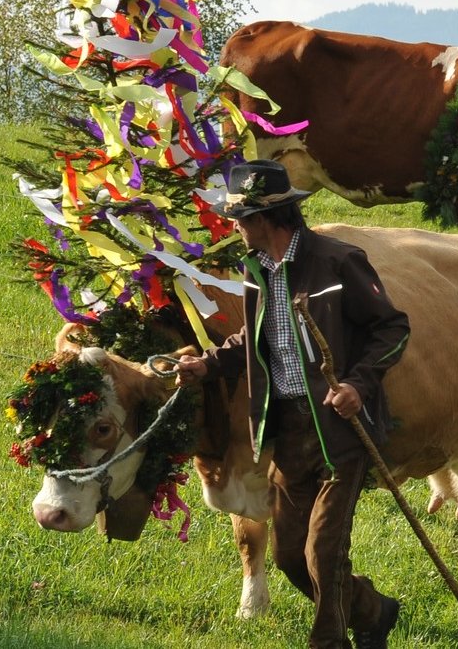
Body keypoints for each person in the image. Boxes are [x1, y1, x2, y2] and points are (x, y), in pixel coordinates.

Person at [175, 159, 410, 649]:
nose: (235, 228)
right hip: (288, 432)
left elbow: (392, 328)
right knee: (289, 558)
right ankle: (372, 611)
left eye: (241, 219)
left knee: (323, 553)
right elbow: (253, 338)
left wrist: (357, 385)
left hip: (340, 430)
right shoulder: (256, 269)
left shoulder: (338, 262)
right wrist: (207, 364)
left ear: (266, 218)